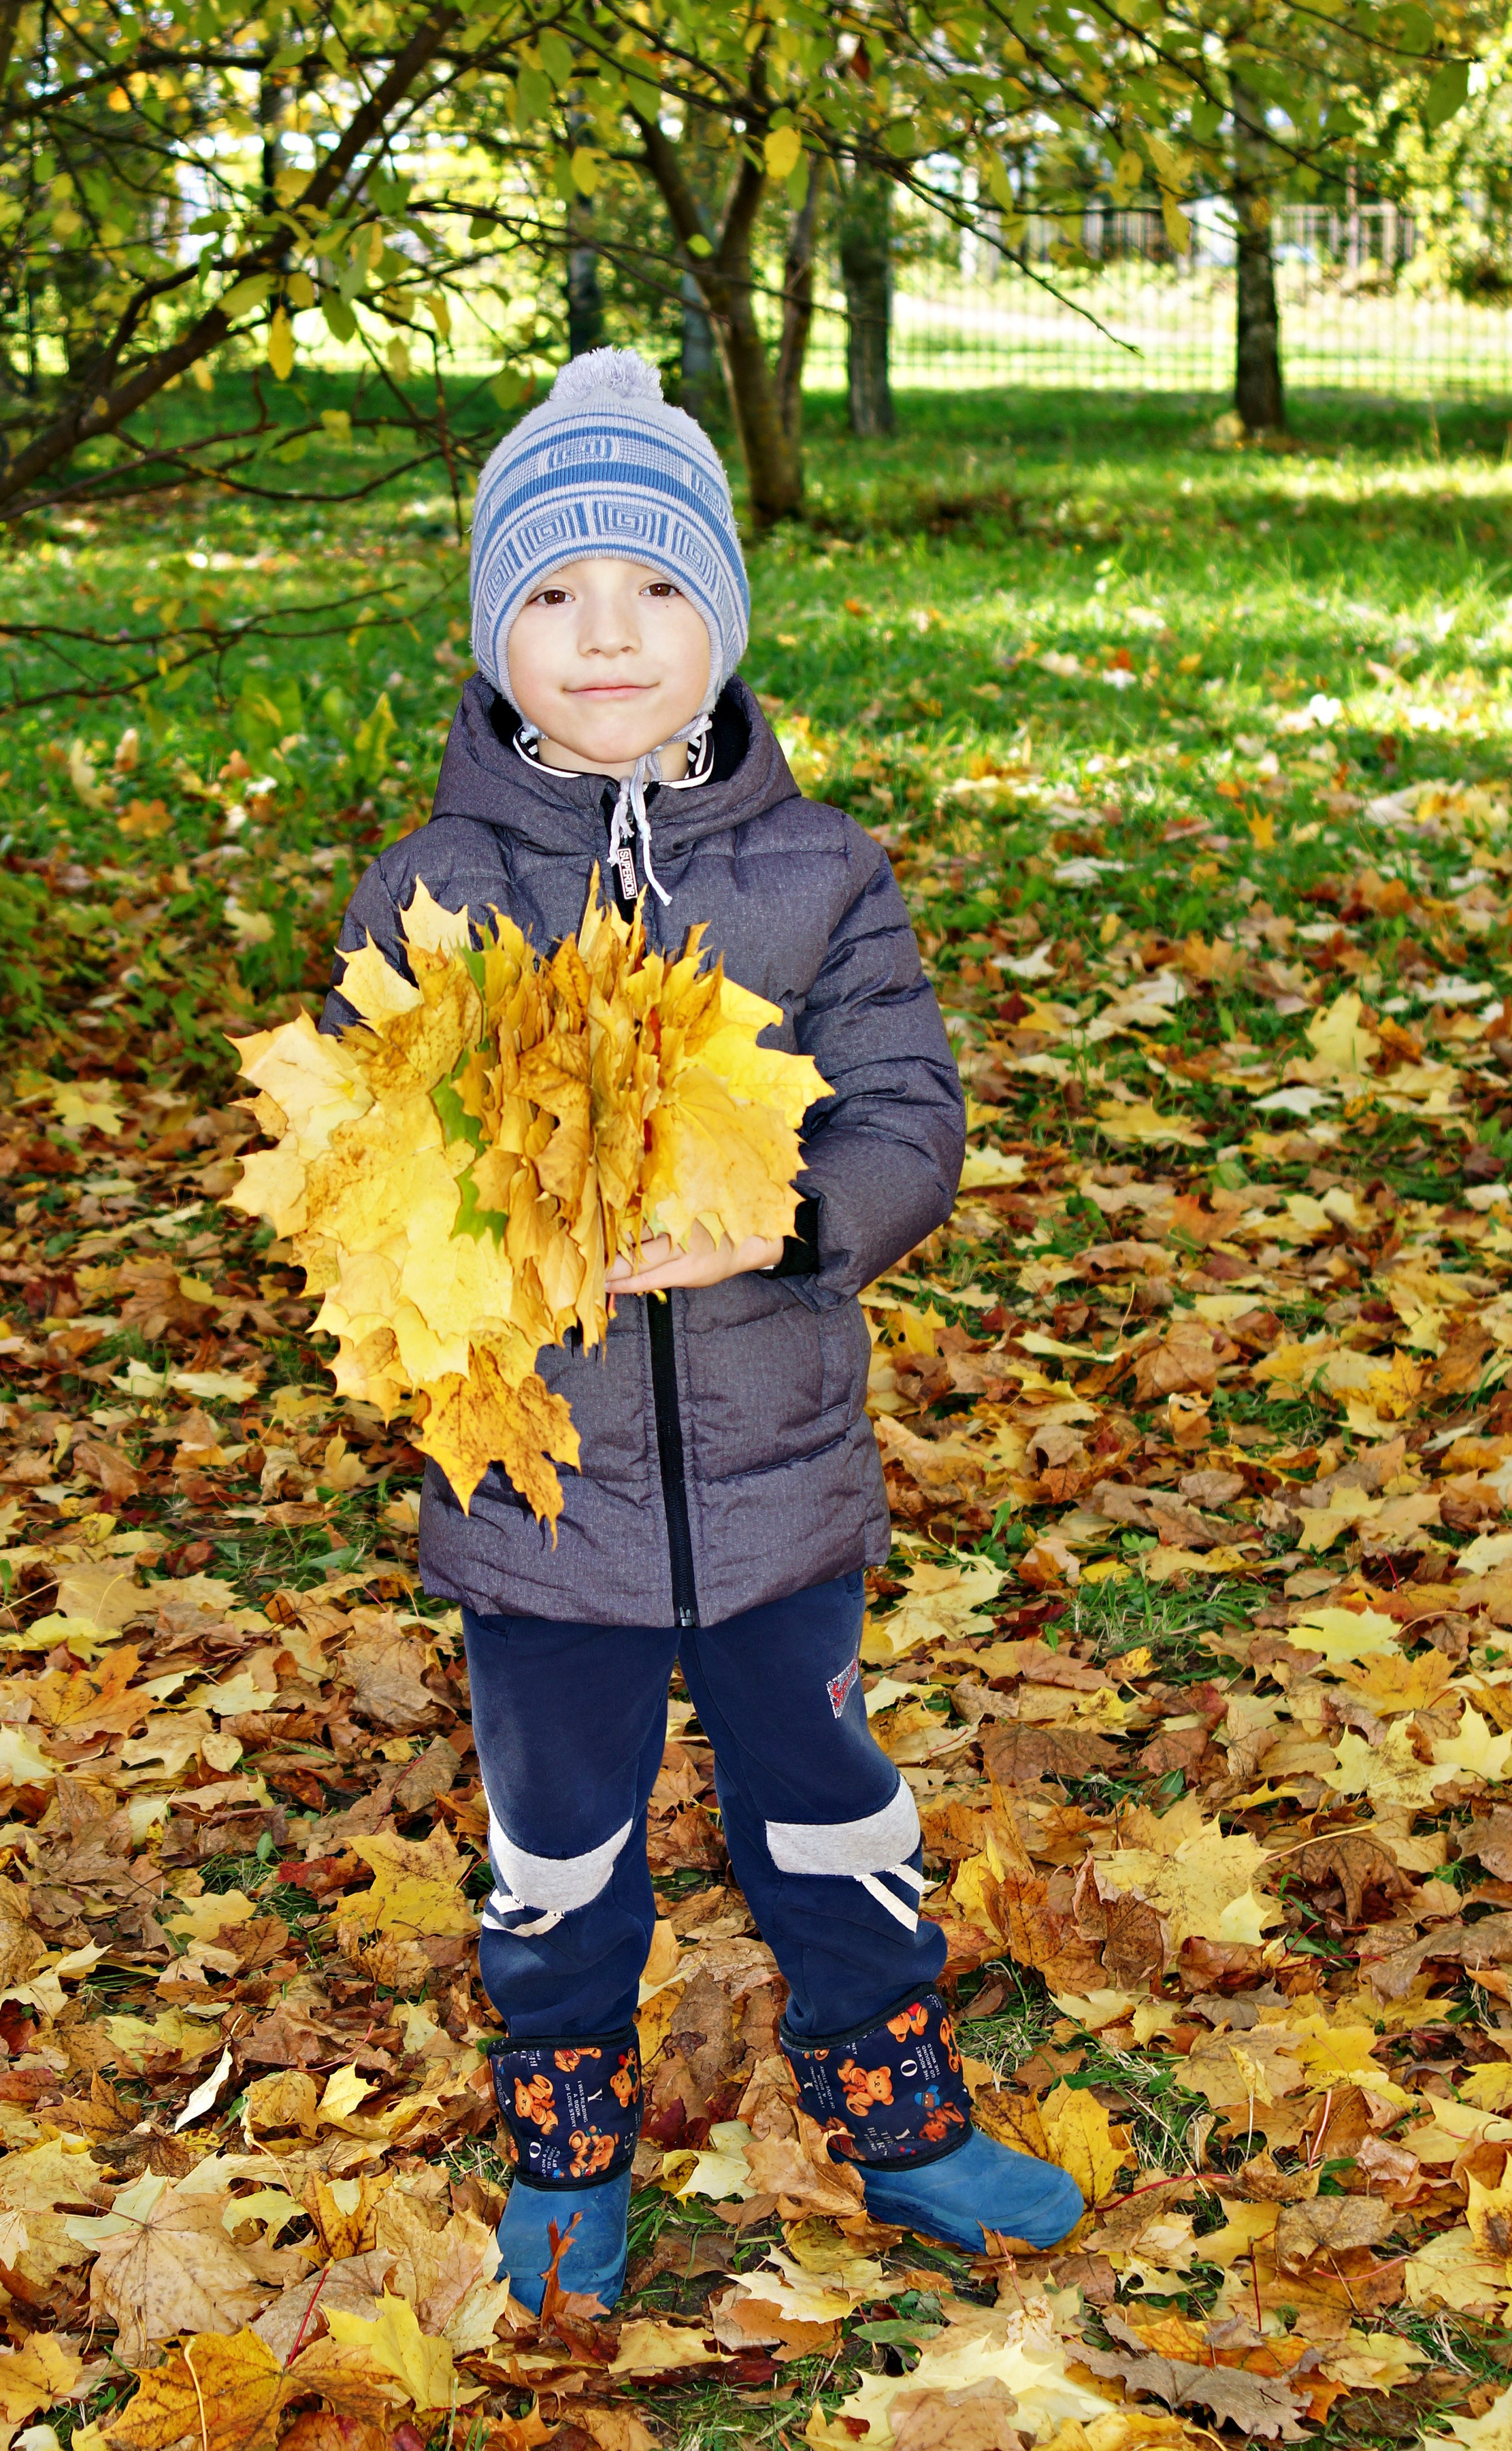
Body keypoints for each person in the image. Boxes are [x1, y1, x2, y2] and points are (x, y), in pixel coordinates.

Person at [323, 346, 1082, 2310]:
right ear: (492, 635)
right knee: (557, 1837)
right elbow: (359, 1162)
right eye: (556, 592)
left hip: (779, 1484)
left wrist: (787, 1218)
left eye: (656, 587)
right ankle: (567, 2128)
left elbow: (909, 1110)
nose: (607, 634)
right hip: (539, 1503)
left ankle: (895, 2108)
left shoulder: (821, 878)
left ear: (722, 623)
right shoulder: (432, 890)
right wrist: (498, 1223)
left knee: (829, 1807)